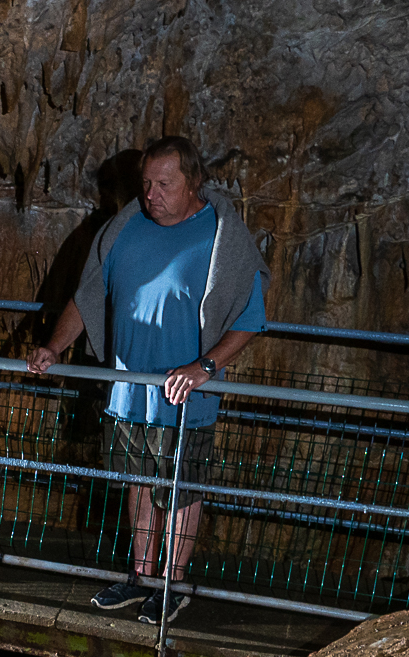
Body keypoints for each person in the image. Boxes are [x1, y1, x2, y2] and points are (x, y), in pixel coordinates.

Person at [26, 135, 268, 625]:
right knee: (138, 485)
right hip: (128, 389)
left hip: (184, 395)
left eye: (164, 185)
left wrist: (204, 367)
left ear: (193, 182)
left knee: (180, 490)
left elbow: (251, 317)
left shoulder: (222, 236)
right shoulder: (126, 226)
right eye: (146, 184)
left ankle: (172, 584)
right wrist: (54, 346)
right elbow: (87, 296)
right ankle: (140, 577)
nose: (151, 195)